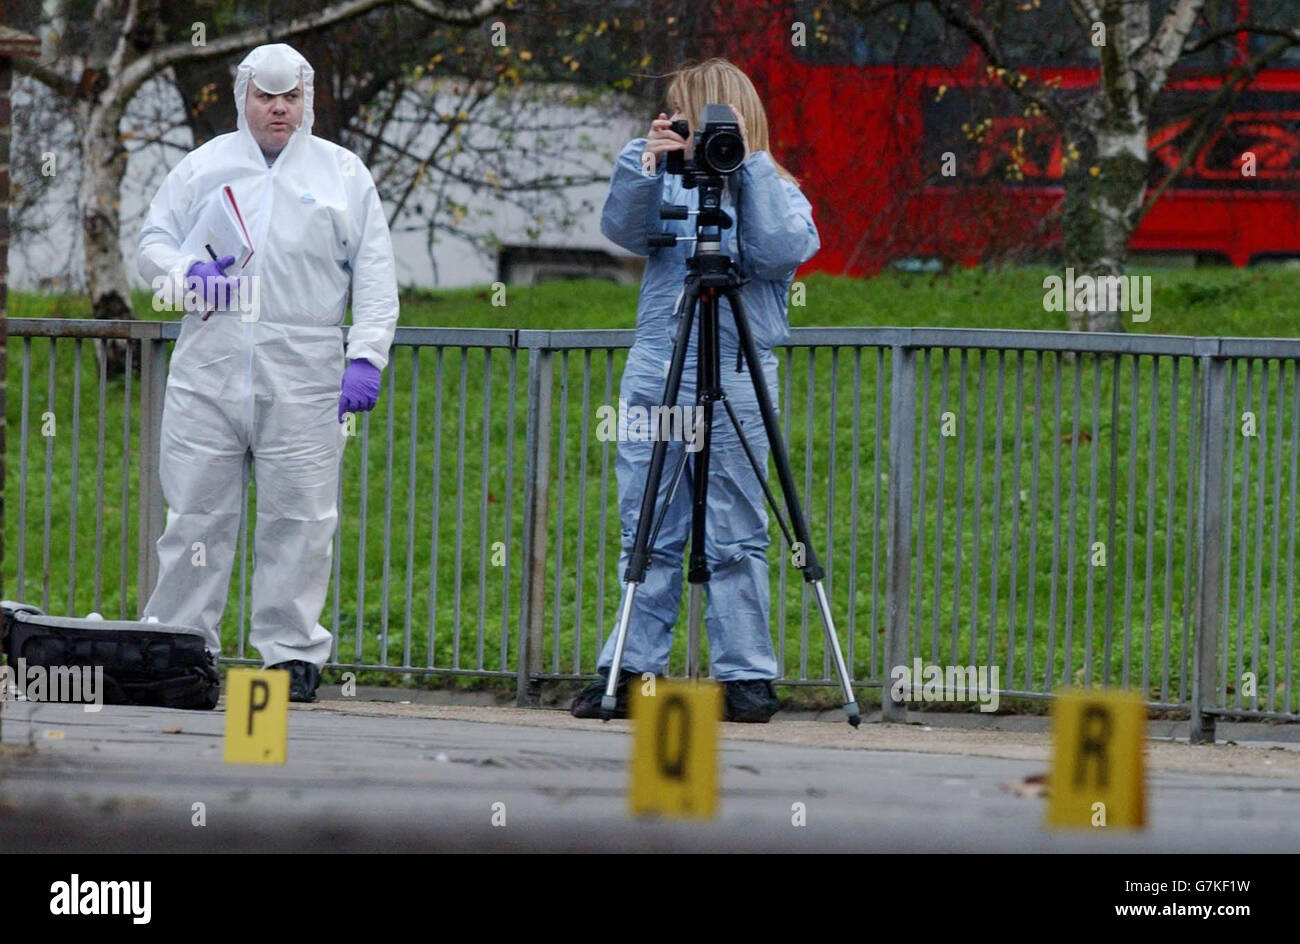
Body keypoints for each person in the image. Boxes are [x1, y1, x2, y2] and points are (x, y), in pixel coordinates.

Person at [137, 43, 398, 702]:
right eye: (265, 96)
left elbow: (374, 271)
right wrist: (184, 275)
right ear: (243, 97)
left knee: (301, 517)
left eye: (289, 97)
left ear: (306, 99)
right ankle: (180, 644)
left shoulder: (343, 174)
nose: (278, 109)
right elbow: (151, 243)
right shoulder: (204, 166)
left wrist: (365, 354)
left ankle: (289, 654)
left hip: (306, 371)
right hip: (210, 366)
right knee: (195, 515)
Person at [571, 59, 820, 723]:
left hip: (738, 367)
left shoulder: (776, 187)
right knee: (647, 523)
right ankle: (629, 668)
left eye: (699, 119)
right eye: (678, 118)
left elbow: (778, 252)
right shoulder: (660, 173)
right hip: (661, 364)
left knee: (736, 527)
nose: (689, 131)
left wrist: (749, 167)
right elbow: (624, 232)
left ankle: (746, 676)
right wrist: (643, 165)